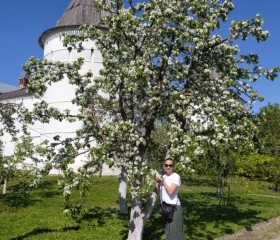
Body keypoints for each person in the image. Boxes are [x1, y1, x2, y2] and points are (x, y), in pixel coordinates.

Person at [155, 157, 185, 240]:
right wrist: (157, 182)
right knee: (168, 232)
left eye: (170, 165)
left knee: (176, 233)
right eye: (166, 165)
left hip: (174, 208)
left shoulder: (176, 177)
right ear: (164, 166)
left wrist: (162, 182)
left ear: (173, 166)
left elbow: (171, 191)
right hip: (165, 207)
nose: (168, 167)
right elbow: (158, 190)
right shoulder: (163, 176)